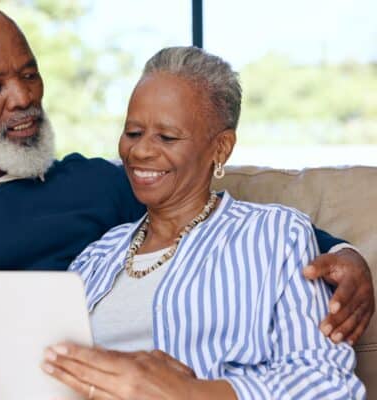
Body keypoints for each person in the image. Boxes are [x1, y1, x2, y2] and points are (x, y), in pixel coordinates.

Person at [0, 3, 372, 400]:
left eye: (29, 75)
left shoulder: (97, 187)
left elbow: (216, 212)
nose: (24, 100)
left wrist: (343, 251)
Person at [42, 46, 366, 399]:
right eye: (133, 133)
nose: (141, 151)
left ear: (221, 148)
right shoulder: (96, 257)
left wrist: (192, 393)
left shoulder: (276, 236)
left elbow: (329, 385)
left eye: (166, 137)